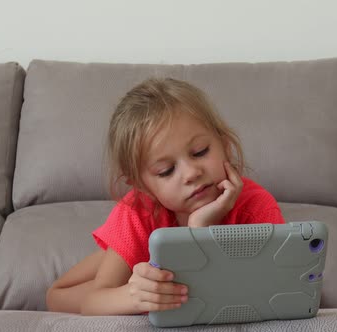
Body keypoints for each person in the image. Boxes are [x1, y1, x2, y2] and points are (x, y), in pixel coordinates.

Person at [46, 78, 285, 315]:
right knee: (55, 295)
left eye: (200, 152)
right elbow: (93, 302)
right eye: (166, 171)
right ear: (143, 186)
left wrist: (199, 228)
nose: (191, 173)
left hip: (150, 255)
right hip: (135, 249)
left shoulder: (255, 207)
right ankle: (125, 260)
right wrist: (133, 295)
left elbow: (274, 288)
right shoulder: (138, 210)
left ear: (225, 144)